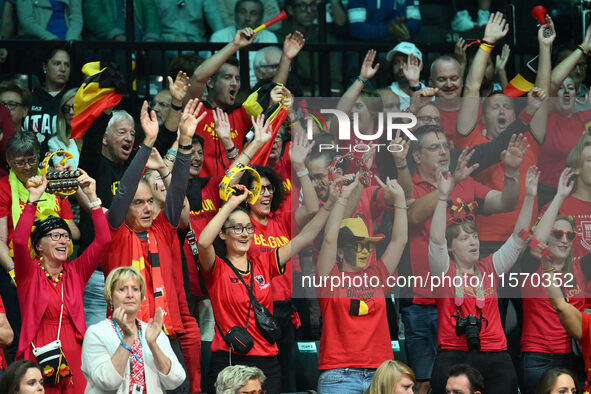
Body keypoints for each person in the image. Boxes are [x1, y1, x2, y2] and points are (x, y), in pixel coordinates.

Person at [197, 171, 340, 393]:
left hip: (267, 361)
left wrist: (330, 204)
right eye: (237, 228)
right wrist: (232, 204)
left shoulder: (264, 263)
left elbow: (304, 237)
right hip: (229, 359)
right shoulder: (216, 268)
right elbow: (204, 242)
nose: (245, 234)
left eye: (248, 228)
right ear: (224, 234)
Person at [103, 100, 205, 393]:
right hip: (127, 338)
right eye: (139, 203)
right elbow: (124, 190)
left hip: (166, 338)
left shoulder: (163, 228)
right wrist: (147, 143)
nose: (148, 209)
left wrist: (185, 143)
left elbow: (176, 193)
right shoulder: (116, 232)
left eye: (150, 202)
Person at [427, 160, 538, 393]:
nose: (473, 242)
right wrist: (441, 197)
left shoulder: (490, 268)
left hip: (495, 353)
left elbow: (519, 239)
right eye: (465, 238)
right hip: (454, 353)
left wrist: (529, 196)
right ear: (451, 247)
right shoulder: (444, 271)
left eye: (475, 237)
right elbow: (436, 240)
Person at [13, 170, 110, 394]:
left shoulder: (75, 271)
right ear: (39, 246)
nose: (63, 241)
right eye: (55, 236)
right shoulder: (29, 274)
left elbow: (104, 240)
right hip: (39, 350)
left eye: (65, 236)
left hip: (75, 351)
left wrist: (93, 200)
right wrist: (33, 200)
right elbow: (19, 241)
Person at [315, 175, 408, 394]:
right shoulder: (330, 279)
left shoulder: (377, 275)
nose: (365, 251)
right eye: (357, 245)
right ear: (340, 251)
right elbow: (329, 238)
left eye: (368, 245)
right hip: (339, 375)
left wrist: (400, 199)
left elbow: (400, 240)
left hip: (381, 374)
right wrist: (342, 198)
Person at [519, 168, 587, 394]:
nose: (565, 240)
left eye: (570, 236)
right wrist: (559, 196)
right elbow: (535, 240)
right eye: (558, 234)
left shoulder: (580, 267)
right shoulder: (533, 266)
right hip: (537, 358)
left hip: (572, 357)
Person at [81, 266, 186, 393]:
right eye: (122, 290)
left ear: (141, 296)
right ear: (110, 296)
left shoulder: (152, 331)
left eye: (135, 289)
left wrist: (153, 344)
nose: (130, 295)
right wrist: (128, 338)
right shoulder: (96, 333)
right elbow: (107, 381)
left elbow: (176, 379)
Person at [24, 47, 71, 152]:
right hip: (30, 162)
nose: (63, 69)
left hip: (64, 162)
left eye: (67, 65)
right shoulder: (30, 98)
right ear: (45, 67)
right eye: (57, 63)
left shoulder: (73, 99)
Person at [83, 0, 160, 41]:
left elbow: (151, 12)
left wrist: (151, 37)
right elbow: (93, 14)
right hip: (110, 40)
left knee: (156, 54)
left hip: (140, 39)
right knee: (122, 53)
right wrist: (116, 35)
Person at [348, 0, 421, 42]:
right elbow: (357, 29)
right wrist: (389, 30)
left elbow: (415, 22)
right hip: (366, 50)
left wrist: (401, 30)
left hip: (399, 48)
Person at [385, 42, 424, 110]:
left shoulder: (431, 94)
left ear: (420, 65)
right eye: (396, 63)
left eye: (406, 61)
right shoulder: (385, 94)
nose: (400, 67)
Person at [16, 0, 82, 40]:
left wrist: (70, 41)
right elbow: (27, 21)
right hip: (39, 41)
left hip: (69, 40)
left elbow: (76, 18)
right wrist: (51, 38)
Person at [47, 89, 79, 170]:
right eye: (66, 109)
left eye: (75, 107)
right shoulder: (55, 142)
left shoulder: (96, 136)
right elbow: (61, 172)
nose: (71, 112)